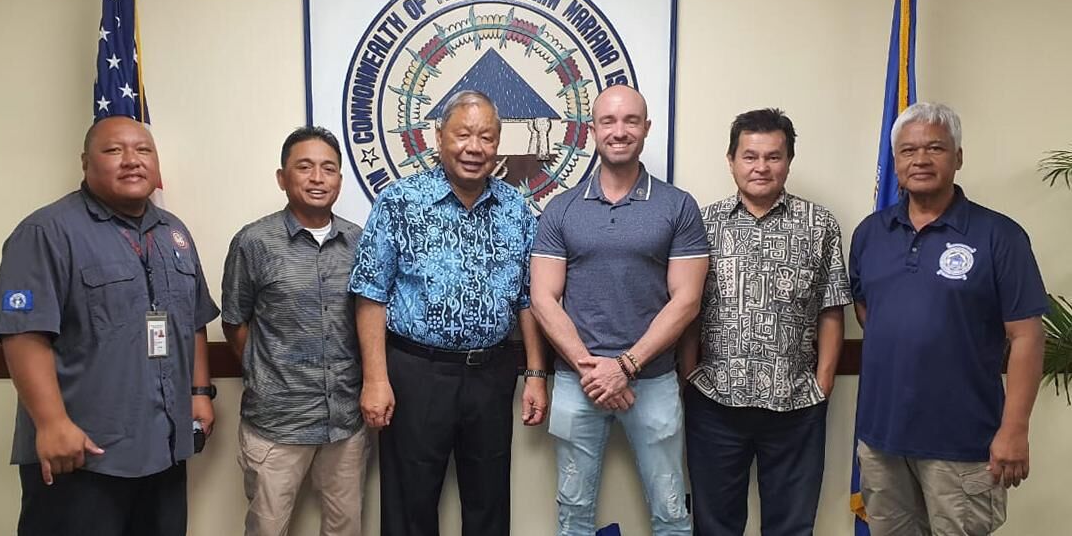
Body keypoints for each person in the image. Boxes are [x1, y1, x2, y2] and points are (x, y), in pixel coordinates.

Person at [0, 115, 219, 536]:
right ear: (85, 162)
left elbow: (195, 320)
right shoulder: (46, 231)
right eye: (114, 150)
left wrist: (199, 393)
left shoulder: (174, 234)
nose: (132, 160)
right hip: (83, 454)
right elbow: (23, 334)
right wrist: (51, 423)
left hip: (163, 447)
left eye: (143, 150)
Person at [348, 90, 549, 536]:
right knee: (410, 505)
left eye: (486, 137)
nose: (474, 147)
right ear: (438, 137)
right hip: (416, 372)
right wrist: (376, 379)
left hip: (492, 373)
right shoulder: (399, 202)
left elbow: (528, 298)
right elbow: (370, 294)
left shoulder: (517, 210)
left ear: (498, 145)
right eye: (463, 134)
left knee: (489, 502)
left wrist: (536, 373)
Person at [849, 102, 1048, 535]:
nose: (920, 159)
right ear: (895, 161)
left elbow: (1027, 337)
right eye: (908, 151)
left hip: (962, 443)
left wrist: (1014, 430)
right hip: (882, 440)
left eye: (935, 148)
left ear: (958, 157)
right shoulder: (869, 234)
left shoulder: (1000, 236)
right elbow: (870, 312)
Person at [530, 84, 708, 535]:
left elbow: (686, 300)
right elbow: (542, 298)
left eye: (631, 121)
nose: (619, 131)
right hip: (577, 381)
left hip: (653, 381)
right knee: (573, 513)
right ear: (593, 131)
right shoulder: (561, 208)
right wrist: (595, 370)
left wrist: (626, 366)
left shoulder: (678, 206)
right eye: (608, 121)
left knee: (671, 510)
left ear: (646, 129)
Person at [678, 108, 852, 535]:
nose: (761, 167)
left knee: (791, 526)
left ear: (789, 161)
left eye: (773, 156)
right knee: (715, 525)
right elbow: (687, 308)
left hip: (796, 406)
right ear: (731, 160)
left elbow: (832, 309)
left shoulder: (820, 224)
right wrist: (688, 375)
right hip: (716, 403)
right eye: (750, 156)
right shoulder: (702, 224)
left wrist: (823, 384)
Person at [221, 126, 368, 536]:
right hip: (275, 423)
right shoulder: (253, 242)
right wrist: (266, 374)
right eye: (304, 167)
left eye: (328, 169)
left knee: (346, 529)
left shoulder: (360, 242)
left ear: (340, 178)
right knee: (267, 529)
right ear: (282, 178)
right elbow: (234, 321)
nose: (317, 178)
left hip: (344, 421)